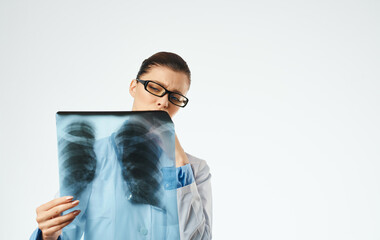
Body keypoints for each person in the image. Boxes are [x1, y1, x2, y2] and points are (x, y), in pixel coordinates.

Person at [30, 52, 213, 240]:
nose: (164, 102)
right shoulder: (93, 156)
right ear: (134, 87)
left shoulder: (195, 170)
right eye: (155, 88)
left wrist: (179, 160)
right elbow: (64, 232)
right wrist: (47, 235)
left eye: (176, 97)